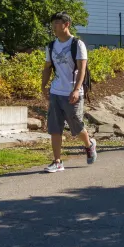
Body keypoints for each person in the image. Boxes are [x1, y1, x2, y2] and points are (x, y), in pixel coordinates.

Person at [42, 12, 97, 173]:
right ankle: (57, 161)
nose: (54, 26)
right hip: (56, 91)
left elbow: (82, 69)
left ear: (67, 25)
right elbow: (47, 68)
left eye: (57, 23)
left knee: (77, 126)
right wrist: (43, 87)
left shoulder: (77, 44)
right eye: (53, 23)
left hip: (73, 93)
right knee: (54, 128)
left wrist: (75, 89)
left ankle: (89, 144)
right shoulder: (51, 45)